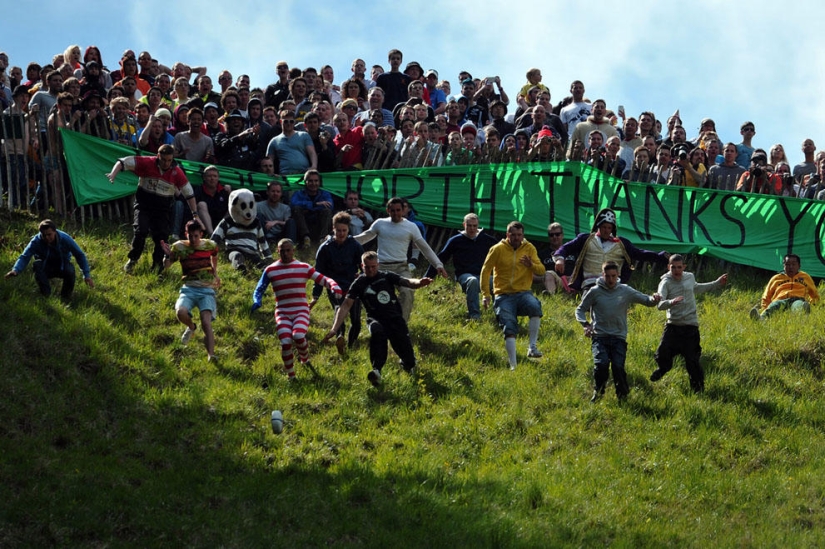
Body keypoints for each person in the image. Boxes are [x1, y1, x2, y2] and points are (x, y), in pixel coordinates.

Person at [323, 251, 432, 387]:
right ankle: (376, 371)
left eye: (373, 266)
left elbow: (408, 282)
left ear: (378, 265)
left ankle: (408, 364)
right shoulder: (359, 283)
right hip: (375, 319)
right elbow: (345, 305)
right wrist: (334, 329)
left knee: (407, 355)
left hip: (394, 318)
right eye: (367, 267)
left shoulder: (386, 276)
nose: (370, 270)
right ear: (362, 266)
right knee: (377, 333)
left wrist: (420, 282)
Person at [252, 238, 342, 381]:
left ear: (293, 251)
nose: (285, 254)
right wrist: (257, 300)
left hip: (301, 310)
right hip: (282, 311)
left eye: (288, 250)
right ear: (278, 251)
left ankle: (304, 359)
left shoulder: (303, 267)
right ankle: (291, 376)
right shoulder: (270, 270)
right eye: (282, 251)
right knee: (285, 341)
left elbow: (323, 279)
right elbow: (260, 287)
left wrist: (334, 286)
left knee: (299, 336)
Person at [576, 261, 661, 402]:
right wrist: (585, 324)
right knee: (601, 364)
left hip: (618, 337)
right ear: (603, 275)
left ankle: (622, 395)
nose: (610, 280)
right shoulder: (595, 291)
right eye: (607, 276)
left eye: (613, 276)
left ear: (618, 275)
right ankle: (599, 391)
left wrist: (655, 298)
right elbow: (580, 309)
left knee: (618, 366)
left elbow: (646, 300)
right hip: (600, 336)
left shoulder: (625, 290)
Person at [107, 144, 198, 274]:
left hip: (162, 209)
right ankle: (133, 260)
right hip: (144, 205)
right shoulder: (146, 162)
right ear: (158, 156)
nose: (166, 163)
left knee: (161, 237)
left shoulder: (177, 172)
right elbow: (123, 161)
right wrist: (113, 174)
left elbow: (189, 193)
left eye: (169, 160)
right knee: (141, 231)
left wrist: (195, 214)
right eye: (163, 160)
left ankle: (157, 266)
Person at [353, 197, 448, 322]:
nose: (396, 213)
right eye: (393, 210)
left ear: (403, 210)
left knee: (407, 292)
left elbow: (424, 247)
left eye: (398, 210)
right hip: (380, 267)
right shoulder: (380, 223)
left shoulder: (411, 227)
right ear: (388, 210)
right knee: (371, 293)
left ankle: (401, 325)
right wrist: (340, 239)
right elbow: (363, 238)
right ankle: (375, 322)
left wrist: (438, 264)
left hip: (401, 267)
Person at [650, 254, 727, 393]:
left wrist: (716, 283)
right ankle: (663, 369)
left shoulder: (690, 277)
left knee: (692, 361)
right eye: (673, 267)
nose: (676, 270)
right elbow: (660, 304)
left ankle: (698, 391)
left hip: (690, 327)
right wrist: (671, 302)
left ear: (684, 267)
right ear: (669, 267)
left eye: (679, 267)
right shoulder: (665, 282)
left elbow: (697, 288)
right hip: (673, 326)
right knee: (663, 354)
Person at [480, 221, 546, 369]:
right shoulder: (497, 249)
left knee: (535, 306)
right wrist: (486, 294)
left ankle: (532, 347)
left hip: (523, 293)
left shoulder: (529, 248)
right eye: (513, 235)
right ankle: (513, 366)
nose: (517, 238)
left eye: (519, 235)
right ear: (507, 234)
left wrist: (531, 265)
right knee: (509, 327)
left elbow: (542, 270)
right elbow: (485, 271)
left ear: (523, 235)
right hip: (503, 295)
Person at [553, 208, 669, 292]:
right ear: (599, 226)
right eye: (604, 227)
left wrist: (661, 257)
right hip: (590, 283)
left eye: (609, 228)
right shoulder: (586, 239)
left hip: (614, 283)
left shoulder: (621, 243)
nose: (606, 230)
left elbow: (640, 254)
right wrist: (559, 259)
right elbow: (566, 248)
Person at [161, 220, 220, 361]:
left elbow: (215, 255)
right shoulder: (179, 247)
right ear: (185, 234)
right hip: (189, 289)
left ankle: (211, 354)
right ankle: (192, 327)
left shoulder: (209, 245)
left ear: (201, 234)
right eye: (190, 236)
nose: (193, 239)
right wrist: (167, 255)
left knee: (206, 322)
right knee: (180, 312)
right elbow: (167, 265)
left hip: (206, 290)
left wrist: (215, 272)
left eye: (196, 236)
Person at [425, 213, 498, 320]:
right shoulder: (456, 240)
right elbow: (442, 257)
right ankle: (475, 316)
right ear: (464, 225)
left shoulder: (488, 240)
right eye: (469, 225)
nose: (472, 228)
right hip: (464, 275)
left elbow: (502, 253)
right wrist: (428, 277)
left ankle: (501, 315)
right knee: (472, 281)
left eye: (474, 226)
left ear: (478, 226)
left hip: (484, 276)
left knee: (498, 281)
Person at [312, 211, 365, 353]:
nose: (341, 233)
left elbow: (364, 266)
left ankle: (351, 346)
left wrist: (362, 278)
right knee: (338, 309)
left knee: (356, 320)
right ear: (333, 229)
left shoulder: (355, 246)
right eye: (339, 230)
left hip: (352, 286)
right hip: (334, 285)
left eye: (344, 231)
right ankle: (340, 336)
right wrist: (315, 295)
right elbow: (318, 273)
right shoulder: (325, 248)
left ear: (348, 230)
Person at [5, 219, 94, 300]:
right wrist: (16, 270)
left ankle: (65, 298)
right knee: (37, 265)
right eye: (44, 235)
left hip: (62, 265)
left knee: (70, 270)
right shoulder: (36, 241)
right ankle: (46, 296)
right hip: (45, 266)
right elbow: (25, 256)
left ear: (55, 231)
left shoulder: (65, 239)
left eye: (49, 234)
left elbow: (80, 255)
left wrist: (86, 275)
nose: (47, 237)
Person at [750, 254, 819, 320]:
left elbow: (814, 294)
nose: (790, 267)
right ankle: (761, 318)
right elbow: (766, 295)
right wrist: (764, 307)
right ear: (784, 266)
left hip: (797, 299)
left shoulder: (805, 277)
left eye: (793, 264)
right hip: (780, 300)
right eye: (787, 264)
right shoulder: (776, 278)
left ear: (799, 266)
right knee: (774, 305)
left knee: (798, 306)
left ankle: (803, 314)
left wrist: (813, 304)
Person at [290, 169, 333, 248]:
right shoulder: (299, 193)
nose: (313, 183)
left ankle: (323, 239)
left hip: (318, 222)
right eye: (310, 181)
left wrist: (310, 207)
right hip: (304, 223)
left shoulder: (324, 193)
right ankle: (305, 238)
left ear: (319, 182)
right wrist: (314, 204)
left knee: (327, 211)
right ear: (305, 182)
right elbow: (293, 204)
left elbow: (330, 205)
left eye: (316, 181)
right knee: (297, 209)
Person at [266, 109, 317, 175]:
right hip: (285, 175)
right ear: (281, 121)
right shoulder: (274, 141)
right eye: (286, 121)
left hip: (304, 174)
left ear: (295, 122)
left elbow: (312, 153)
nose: (289, 124)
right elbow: (268, 160)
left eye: (291, 121)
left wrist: (314, 166)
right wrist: (271, 173)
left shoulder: (304, 135)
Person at [257, 180, 296, 246]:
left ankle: (290, 246)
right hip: (265, 234)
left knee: (291, 221)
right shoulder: (258, 206)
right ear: (267, 192)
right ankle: (262, 243)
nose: (275, 194)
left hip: (281, 235)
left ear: (281, 194)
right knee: (258, 216)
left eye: (278, 192)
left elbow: (287, 222)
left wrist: (276, 222)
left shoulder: (285, 208)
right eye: (273, 191)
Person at [536, 222, 573, 294]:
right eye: (551, 235)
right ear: (548, 237)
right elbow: (532, 276)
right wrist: (544, 279)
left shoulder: (572, 250)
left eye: (557, 234)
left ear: (562, 235)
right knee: (549, 273)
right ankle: (551, 296)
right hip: (555, 281)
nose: (554, 237)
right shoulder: (542, 254)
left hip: (572, 282)